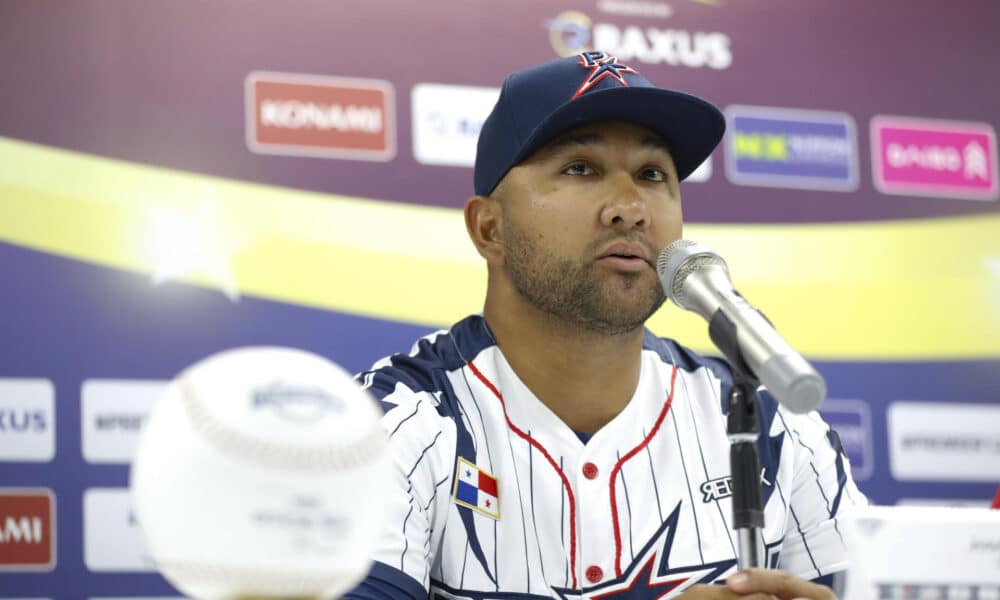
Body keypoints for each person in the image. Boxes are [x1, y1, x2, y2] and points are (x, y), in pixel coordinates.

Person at [344, 52, 866, 599]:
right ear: (489, 228)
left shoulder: (771, 426)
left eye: (651, 174)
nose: (630, 207)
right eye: (581, 169)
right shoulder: (392, 426)